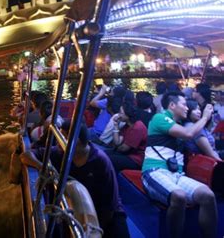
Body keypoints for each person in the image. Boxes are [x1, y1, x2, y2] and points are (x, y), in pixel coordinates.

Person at [21, 121, 130, 238]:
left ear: (77, 141)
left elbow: (110, 205)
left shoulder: (100, 161)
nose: (59, 142)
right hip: (74, 208)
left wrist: (96, 228)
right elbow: (26, 155)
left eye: (63, 137)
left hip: (106, 213)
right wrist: (40, 166)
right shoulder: (59, 152)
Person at [141, 91, 217, 238]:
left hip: (177, 175)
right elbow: (189, 134)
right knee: (179, 196)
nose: (187, 108)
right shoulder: (159, 118)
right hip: (153, 172)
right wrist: (205, 117)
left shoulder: (181, 124)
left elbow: (193, 131)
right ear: (172, 105)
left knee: (208, 195)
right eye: (184, 104)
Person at [103, 102, 147, 172]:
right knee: (103, 153)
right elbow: (117, 142)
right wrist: (116, 125)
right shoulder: (127, 125)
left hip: (136, 160)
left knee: (109, 159)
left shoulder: (138, 127)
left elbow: (123, 148)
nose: (118, 115)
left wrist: (117, 148)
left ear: (128, 115)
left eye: (121, 113)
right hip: (128, 155)